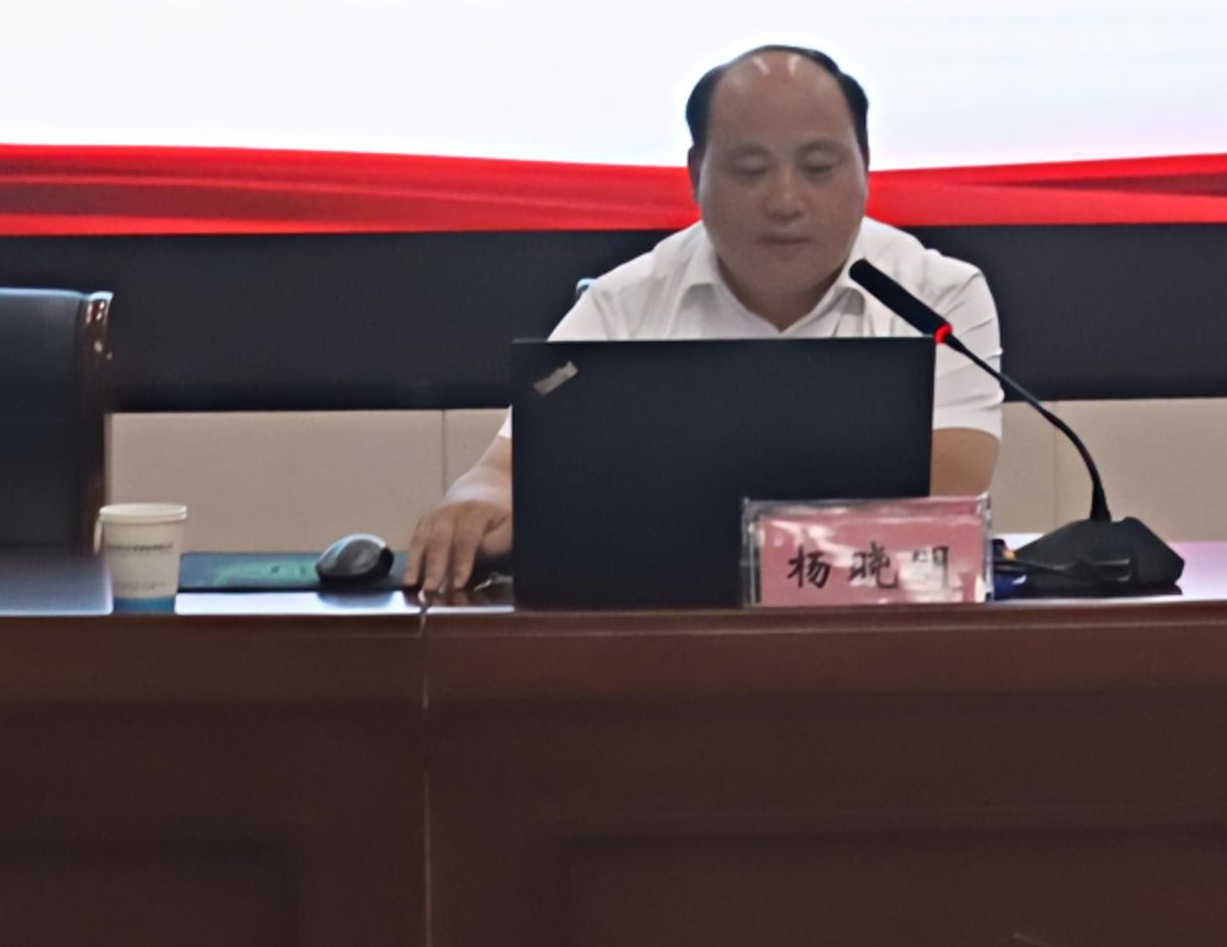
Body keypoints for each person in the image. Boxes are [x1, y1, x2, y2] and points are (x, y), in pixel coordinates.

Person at [403, 44, 1003, 598]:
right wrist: (471, 502)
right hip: (663, 638)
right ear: (696, 173)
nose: (786, 200)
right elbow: (505, 473)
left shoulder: (937, 296)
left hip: (875, 629)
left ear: (865, 165)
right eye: (750, 169)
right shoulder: (624, 304)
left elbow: (945, 498)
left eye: (819, 167)